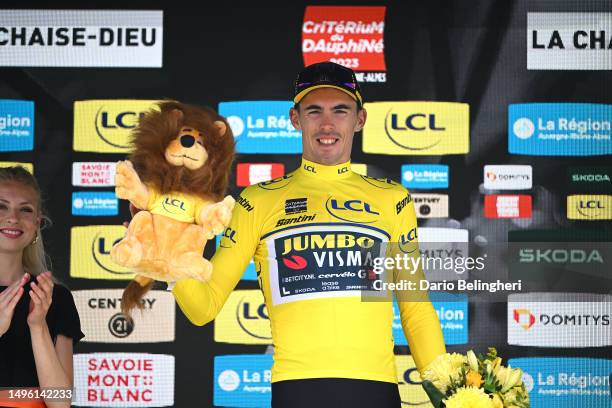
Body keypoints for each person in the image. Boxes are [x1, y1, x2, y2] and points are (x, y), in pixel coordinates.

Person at [172, 62, 446, 407]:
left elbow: (416, 310)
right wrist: (169, 258)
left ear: (359, 120)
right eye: (314, 111)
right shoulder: (258, 201)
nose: (327, 124)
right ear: (295, 118)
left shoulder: (393, 199)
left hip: (376, 390)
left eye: (340, 110)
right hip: (297, 390)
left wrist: (447, 391)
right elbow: (204, 307)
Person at [0, 167, 84, 408]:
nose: (13, 218)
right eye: (1, 206)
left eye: (25, 209)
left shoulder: (56, 298)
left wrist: (38, 326)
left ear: (36, 224)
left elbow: (60, 403)